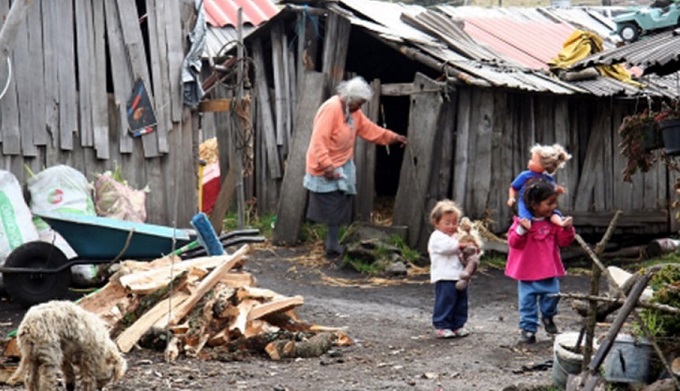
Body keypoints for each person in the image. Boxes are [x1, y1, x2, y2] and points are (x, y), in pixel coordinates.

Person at [303, 76, 407, 258]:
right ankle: (331, 243)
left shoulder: (353, 112)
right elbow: (319, 141)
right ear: (350, 98)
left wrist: (392, 137)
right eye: (359, 102)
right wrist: (326, 165)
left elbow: (370, 129)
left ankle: (332, 242)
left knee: (341, 201)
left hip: (343, 162)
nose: (361, 106)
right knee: (332, 203)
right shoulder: (331, 108)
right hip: (325, 164)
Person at [505, 179, 575, 344]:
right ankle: (528, 330)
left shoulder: (552, 223)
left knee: (552, 298)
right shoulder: (521, 223)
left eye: (554, 203)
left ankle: (548, 316)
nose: (553, 207)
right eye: (549, 203)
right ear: (535, 205)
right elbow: (514, 243)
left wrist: (567, 228)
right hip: (527, 273)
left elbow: (564, 241)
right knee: (527, 304)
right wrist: (522, 230)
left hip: (548, 272)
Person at [428, 199, 472, 339]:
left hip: (459, 276)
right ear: (437, 223)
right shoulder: (437, 237)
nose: (451, 226)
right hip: (444, 276)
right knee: (445, 300)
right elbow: (447, 247)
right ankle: (442, 325)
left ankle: (458, 324)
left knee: (460, 301)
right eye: (447, 223)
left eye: (454, 223)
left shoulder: (455, 237)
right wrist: (460, 245)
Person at [507, 143, 572, 230]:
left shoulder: (547, 178)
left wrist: (557, 191)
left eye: (533, 160)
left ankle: (561, 222)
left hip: (541, 205)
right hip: (526, 202)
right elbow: (513, 187)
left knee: (554, 213)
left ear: (544, 165)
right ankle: (526, 227)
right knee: (524, 214)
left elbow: (551, 192)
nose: (529, 162)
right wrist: (511, 198)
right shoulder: (525, 176)